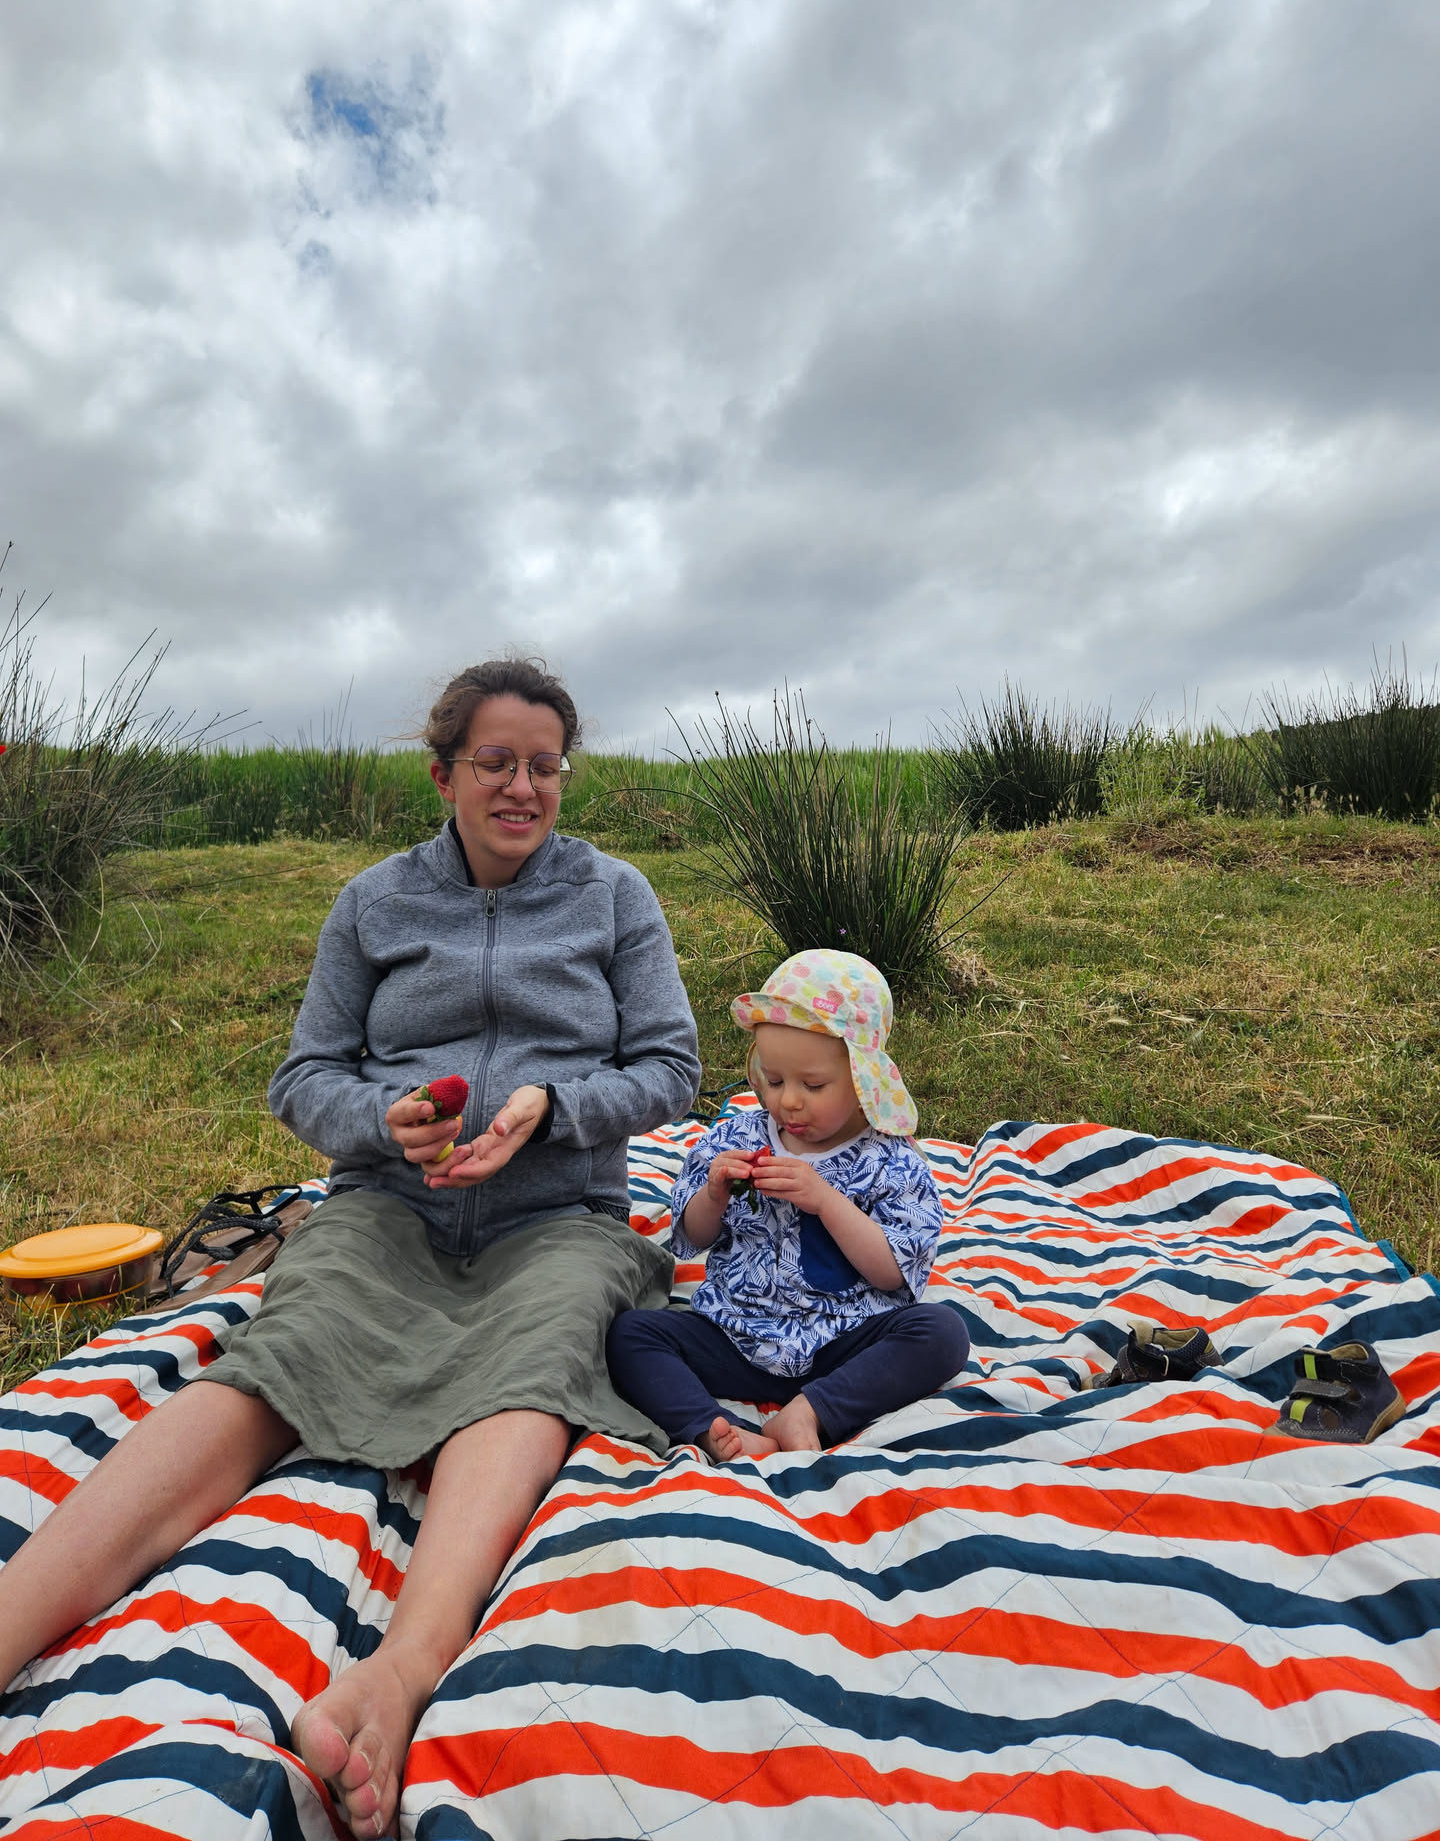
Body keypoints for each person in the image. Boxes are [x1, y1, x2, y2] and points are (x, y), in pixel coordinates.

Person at [0, 658, 701, 1840]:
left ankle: (402, 1671)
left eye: (545, 766)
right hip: (387, 1205)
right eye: (496, 762)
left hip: (559, 1215)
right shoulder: (375, 902)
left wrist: (550, 1111)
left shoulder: (616, 896)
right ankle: (13, 1616)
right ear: (443, 774)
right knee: (281, 1353)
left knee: (536, 1361)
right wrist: (384, 1121)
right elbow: (305, 1078)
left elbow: (671, 1070)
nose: (523, 787)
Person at [607, 949, 967, 1462]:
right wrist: (713, 1194)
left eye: (812, 1085)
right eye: (774, 1081)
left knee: (942, 1333)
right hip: (735, 1332)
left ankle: (812, 1410)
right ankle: (716, 1429)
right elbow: (694, 1237)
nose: (789, 1101)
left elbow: (893, 1272)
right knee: (631, 1334)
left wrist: (827, 1201)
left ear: (864, 1079)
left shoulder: (891, 1161)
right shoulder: (738, 1137)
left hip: (844, 1341)